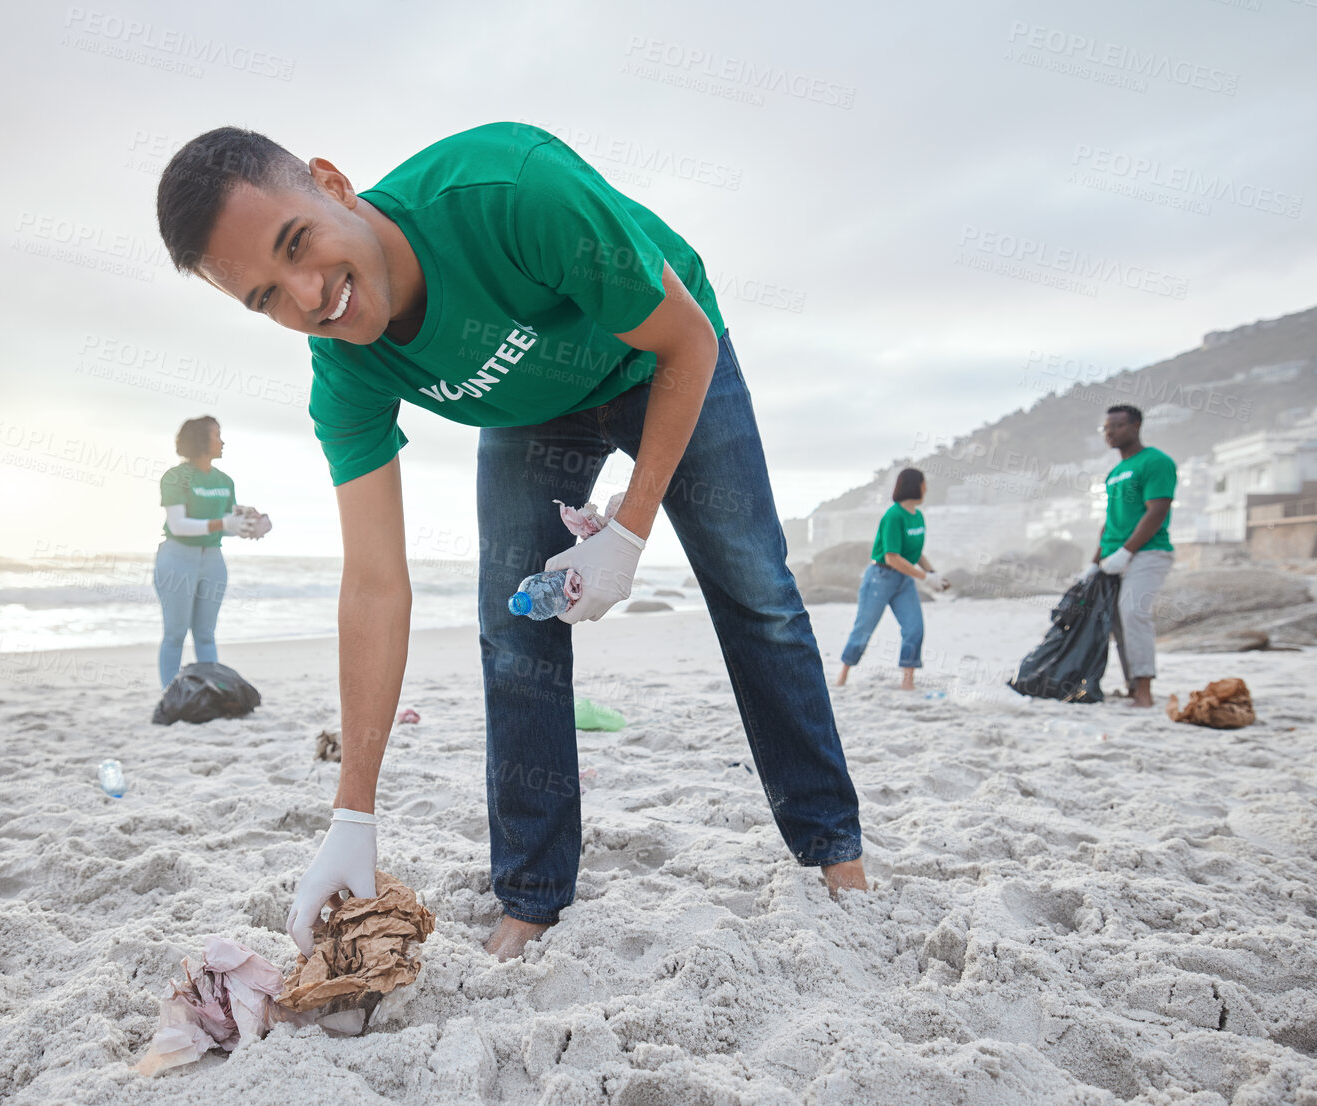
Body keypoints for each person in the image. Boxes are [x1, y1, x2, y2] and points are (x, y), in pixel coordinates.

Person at [155, 122, 866, 960]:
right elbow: (375, 584)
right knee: (513, 630)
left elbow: (686, 340)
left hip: (662, 355)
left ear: (332, 183)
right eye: (268, 297)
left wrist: (629, 530)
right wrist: (353, 812)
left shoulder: (510, 192)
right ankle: (532, 894)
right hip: (534, 413)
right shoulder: (344, 370)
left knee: (755, 592)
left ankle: (834, 852)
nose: (310, 296)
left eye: (297, 243)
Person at [154, 416, 268, 687]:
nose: (222, 441)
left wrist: (250, 525)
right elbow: (178, 524)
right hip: (177, 558)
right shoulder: (175, 477)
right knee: (175, 634)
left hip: (213, 561)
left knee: (206, 634)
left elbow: (228, 523)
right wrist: (223, 523)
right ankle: (172, 694)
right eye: (217, 435)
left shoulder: (225, 481)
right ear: (200, 440)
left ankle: (209, 691)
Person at [1082, 404, 1175, 708]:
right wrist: (1094, 563)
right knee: (1117, 621)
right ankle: (1132, 686)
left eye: (1117, 426)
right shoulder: (1114, 473)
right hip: (1112, 557)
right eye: (1105, 428)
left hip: (1148, 552)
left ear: (1135, 426)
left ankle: (1145, 693)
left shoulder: (1156, 462)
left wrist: (1127, 551)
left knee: (1134, 611)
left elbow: (1157, 510)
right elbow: (1110, 521)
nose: (1110, 433)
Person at [835, 467, 948, 690]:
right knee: (864, 629)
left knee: (914, 628)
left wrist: (934, 575)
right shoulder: (893, 516)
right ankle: (842, 676)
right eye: (924, 483)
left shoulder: (918, 517)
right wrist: (925, 578)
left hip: (904, 581)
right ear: (915, 485)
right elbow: (892, 557)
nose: (927, 488)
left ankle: (908, 682)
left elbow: (915, 553)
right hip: (880, 578)